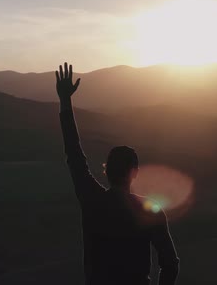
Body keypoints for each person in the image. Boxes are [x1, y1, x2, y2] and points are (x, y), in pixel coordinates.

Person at [55, 62, 179, 285]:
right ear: (135, 173)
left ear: (106, 170)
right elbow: (170, 264)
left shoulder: (92, 200)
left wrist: (65, 101)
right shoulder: (150, 210)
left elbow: (73, 153)